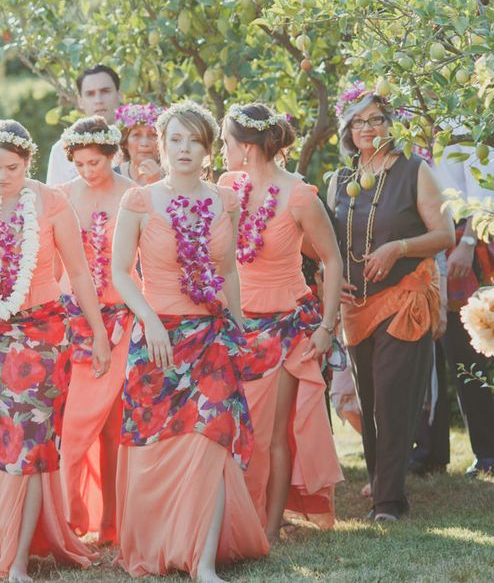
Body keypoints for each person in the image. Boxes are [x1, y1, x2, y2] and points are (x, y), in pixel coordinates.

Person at [0, 120, 110, 582]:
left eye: (11, 168)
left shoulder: (53, 203)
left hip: (41, 339)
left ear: (28, 162)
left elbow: (78, 275)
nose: (1, 176)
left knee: (32, 448)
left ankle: (16, 561)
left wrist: (97, 332)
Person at [112, 101, 269, 582]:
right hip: (156, 339)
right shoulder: (139, 201)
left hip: (211, 339)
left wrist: (239, 326)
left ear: (208, 149)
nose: (184, 149)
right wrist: (149, 322)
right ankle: (161, 543)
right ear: (161, 145)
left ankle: (201, 562)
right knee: (154, 448)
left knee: (211, 440)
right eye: (175, 140)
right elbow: (120, 272)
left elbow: (228, 272)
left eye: (194, 141)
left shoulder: (226, 201)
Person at [327, 83, 454, 522]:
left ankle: (388, 503)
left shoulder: (414, 170)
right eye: (358, 121)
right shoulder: (338, 180)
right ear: (347, 128)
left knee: (392, 399)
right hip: (355, 307)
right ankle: (385, 487)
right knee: (368, 398)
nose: (367, 128)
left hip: (404, 299)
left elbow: (445, 234)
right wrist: (332, 278)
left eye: (376, 119)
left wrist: (398, 248)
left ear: (390, 124)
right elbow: (327, 246)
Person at [218, 103, 344, 542]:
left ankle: (268, 530)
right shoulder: (226, 187)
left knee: (273, 433)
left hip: (286, 325)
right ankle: (235, 516)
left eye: (225, 141)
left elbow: (331, 258)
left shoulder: (299, 195)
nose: (221, 149)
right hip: (234, 323)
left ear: (247, 147)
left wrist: (327, 327)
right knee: (234, 425)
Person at [55, 117, 137, 544]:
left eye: (95, 162)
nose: (88, 171)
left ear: (113, 154)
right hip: (72, 322)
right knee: (72, 426)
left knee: (114, 426)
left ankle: (113, 523)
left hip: (122, 320)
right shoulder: (62, 196)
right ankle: (68, 518)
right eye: (80, 164)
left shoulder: (132, 195)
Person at [410, 137, 494, 476]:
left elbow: (487, 193)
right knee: (426, 353)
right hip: (422, 243)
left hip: (462, 240)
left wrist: (467, 243)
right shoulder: (408, 124)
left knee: (466, 353)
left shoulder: (465, 127)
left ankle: (489, 455)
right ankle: (430, 453)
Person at [46, 65, 123, 185]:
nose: (98, 100)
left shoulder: (139, 140)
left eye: (105, 91)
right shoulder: (61, 149)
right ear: (80, 101)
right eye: (90, 94)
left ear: (119, 95)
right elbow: (53, 200)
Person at [114, 102, 164, 185]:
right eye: (136, 135)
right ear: (125, 142)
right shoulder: (113, 176)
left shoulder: (174, 176)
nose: (144, 143)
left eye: (153, 135)